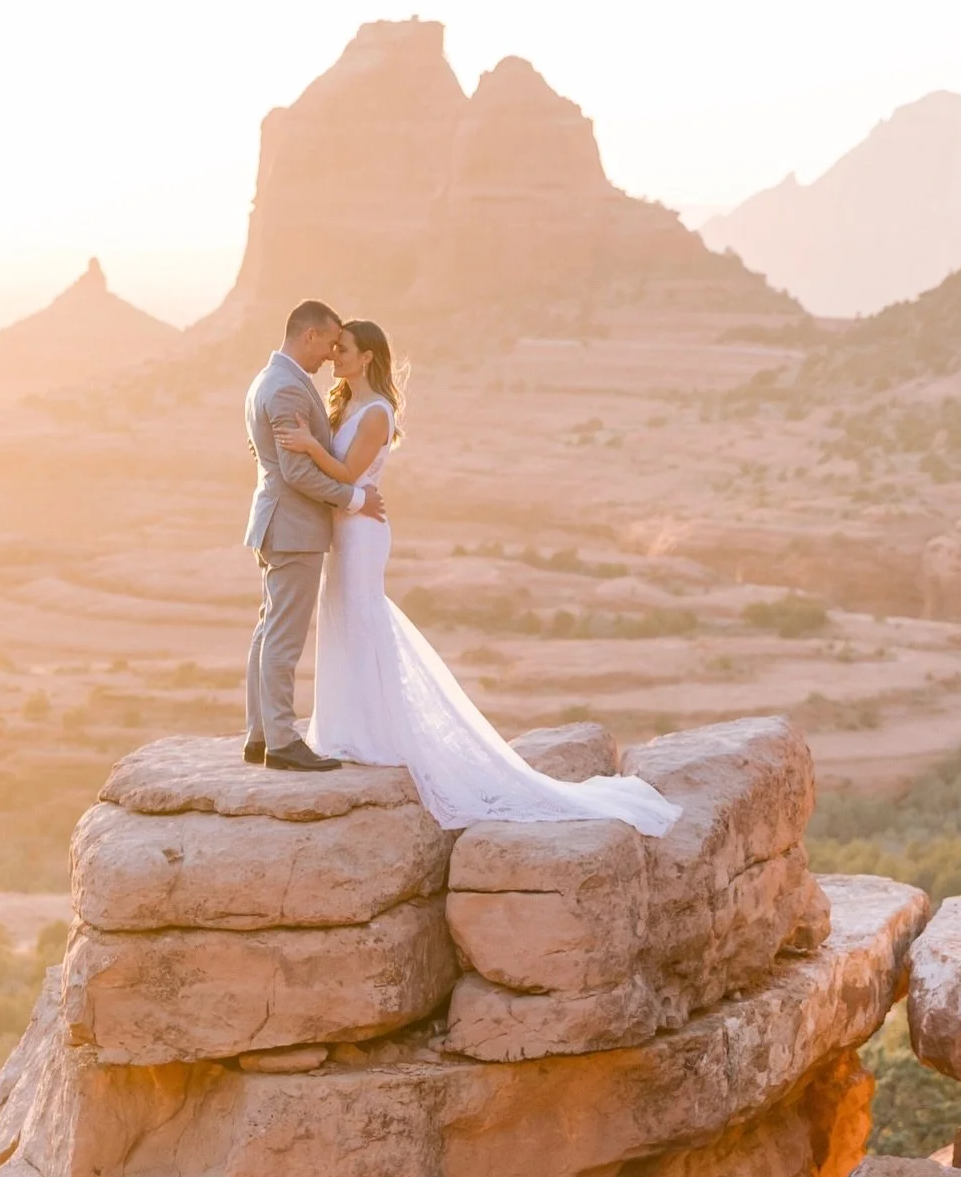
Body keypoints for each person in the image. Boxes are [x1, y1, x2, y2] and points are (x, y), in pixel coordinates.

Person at [272, 317, 681, 834]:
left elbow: (350, 474)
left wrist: (310, 446)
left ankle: (371, 736)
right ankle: (347, 730)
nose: (335, 356)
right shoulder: (347, 404)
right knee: (342, 621)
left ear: (368, 356)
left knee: (361, 618)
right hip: (347, 528)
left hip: (362, 533)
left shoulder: (376, 412)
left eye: (344, 349)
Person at [242, 300, 387, 772]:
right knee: (282, 637)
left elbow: (268, 451)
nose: (330, 356)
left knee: (268, 630)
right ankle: (281, 741)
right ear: (309, 336)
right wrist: (354, 499)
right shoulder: (286, 388)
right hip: (293, 528)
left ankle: (261, 734)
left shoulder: (269, 379)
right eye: (329, 343)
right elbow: (297, 471)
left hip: (277, 522)